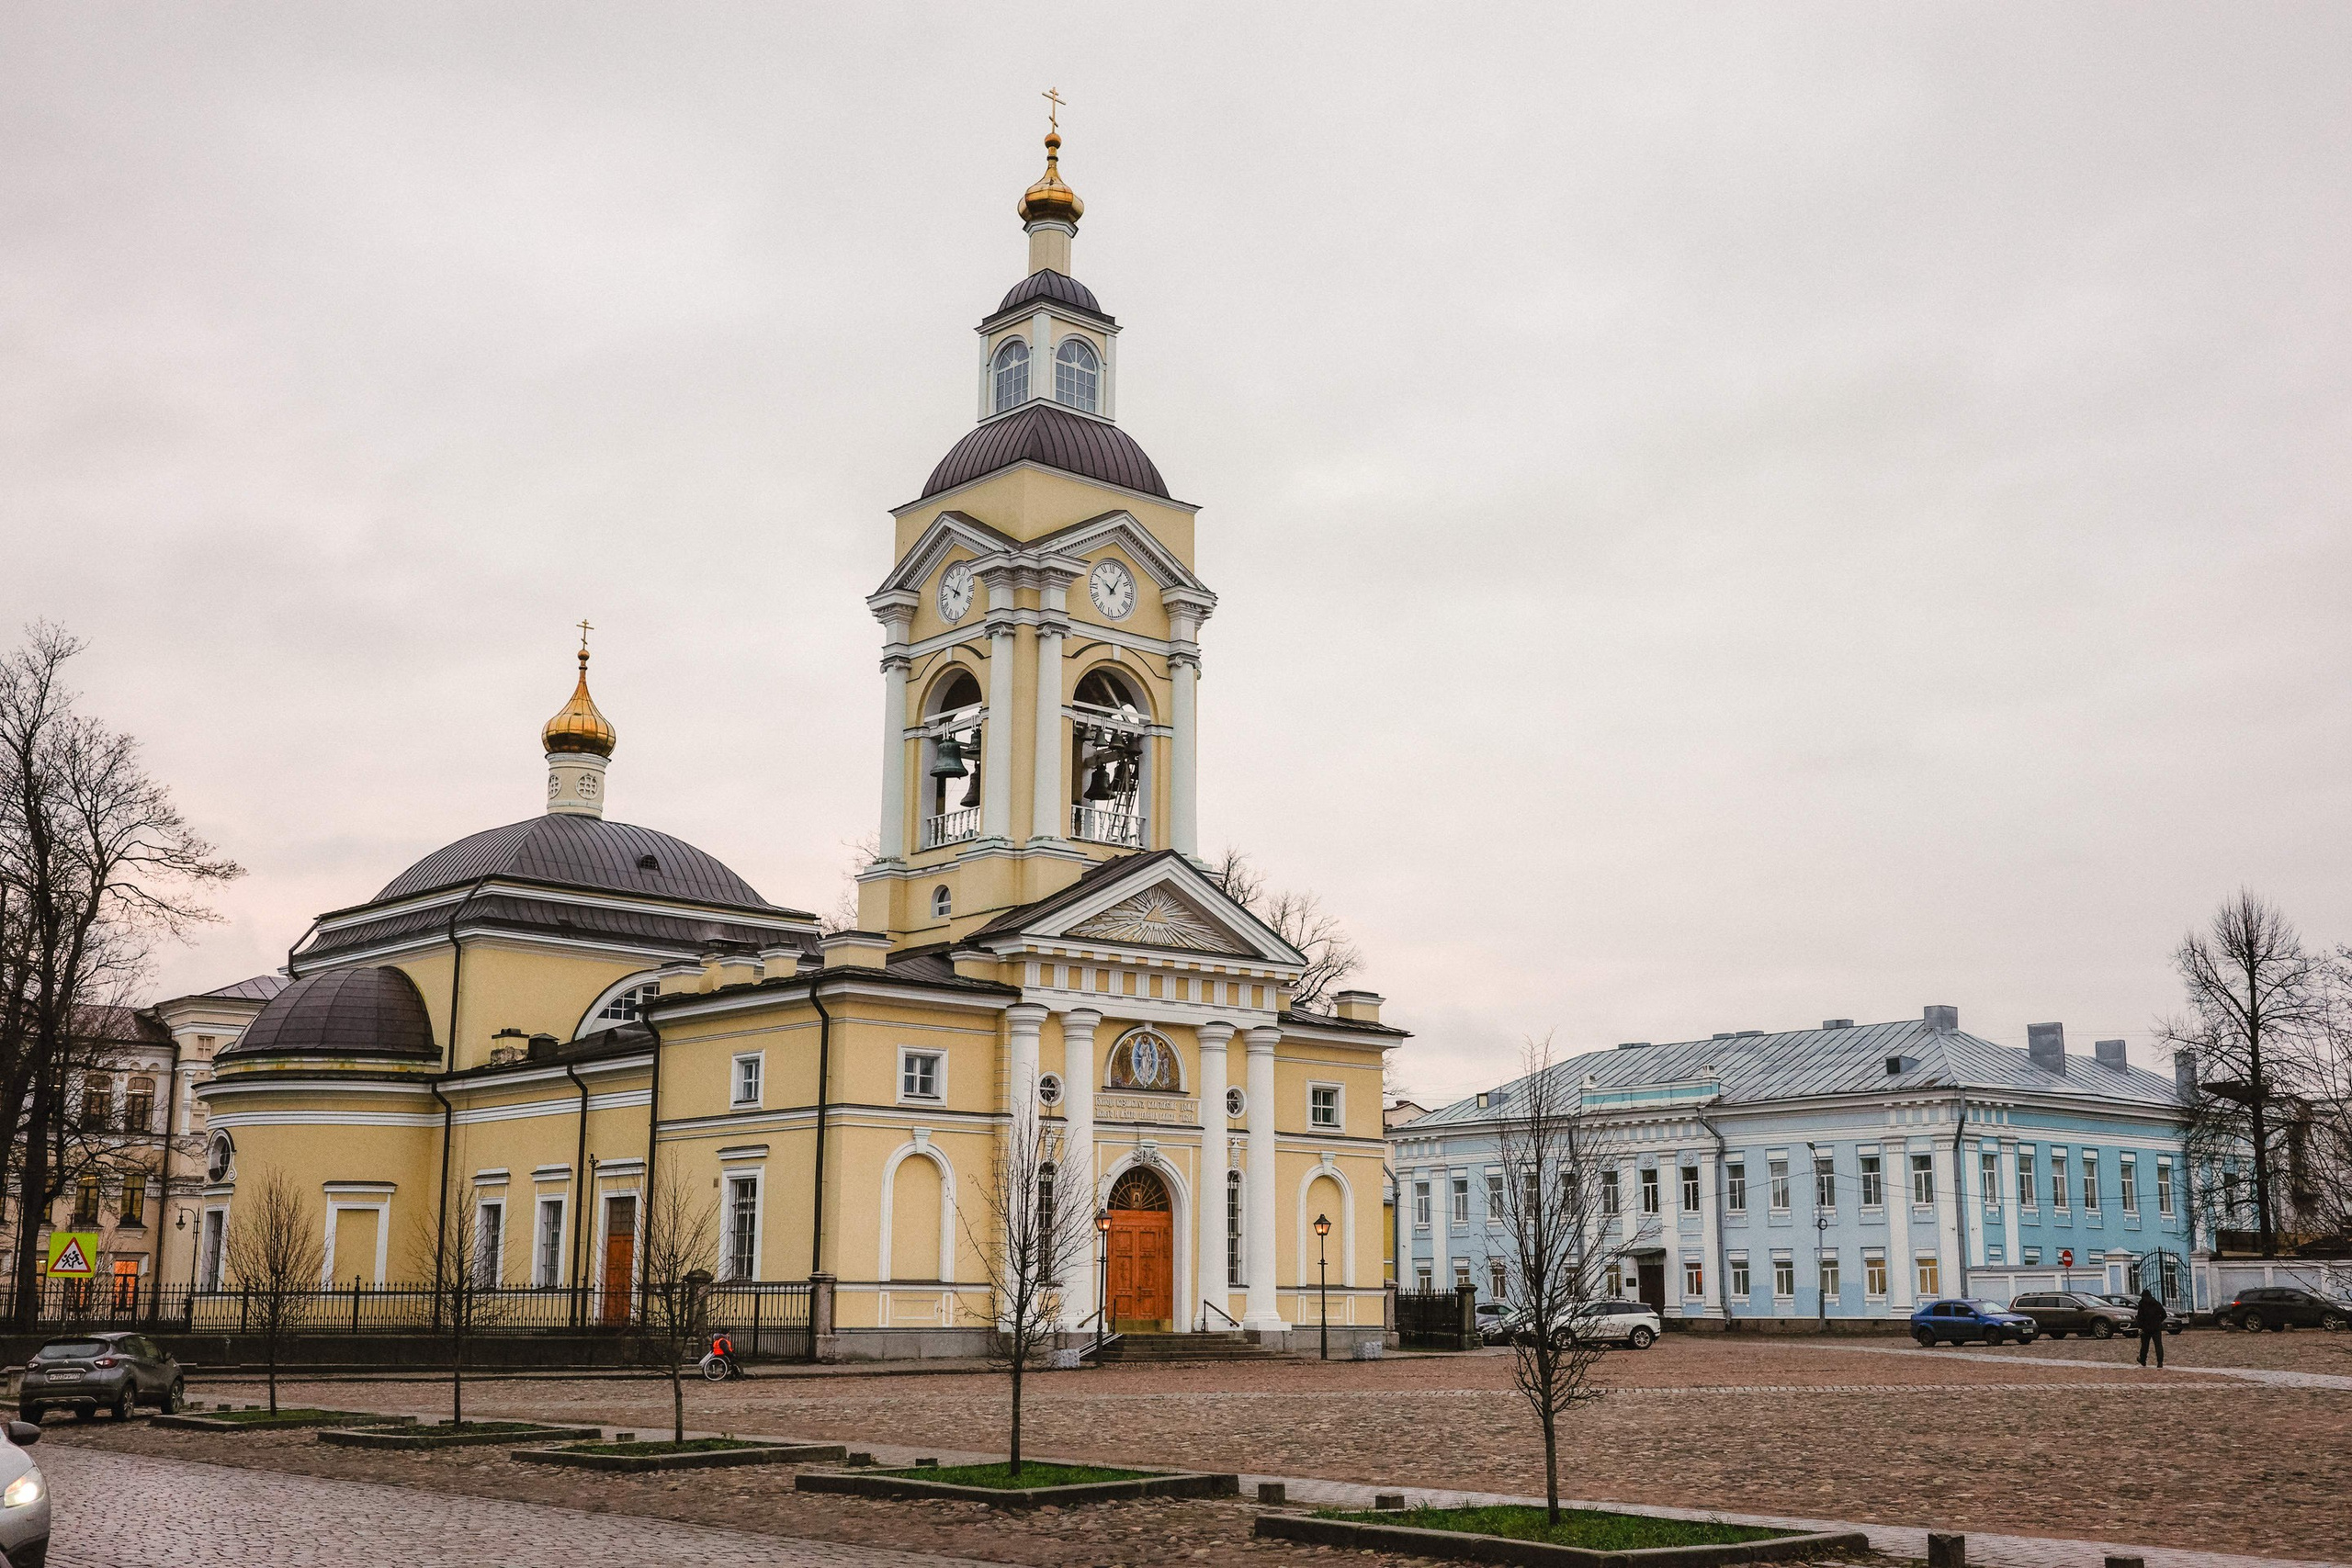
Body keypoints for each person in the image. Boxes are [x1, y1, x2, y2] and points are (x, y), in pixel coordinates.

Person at [2134, 1289, 2167, 1367]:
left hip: (2145, 1328)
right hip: (2156, 1327)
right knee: (2158, 1345)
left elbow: (2140, 1316)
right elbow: (2164, 1314)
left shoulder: (2142, 1304)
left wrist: (2140, 1327)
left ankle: (2143, 1360)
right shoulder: (2156, 1303)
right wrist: (2159, 1321)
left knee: (2144, 1345)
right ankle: (2160, 1362)